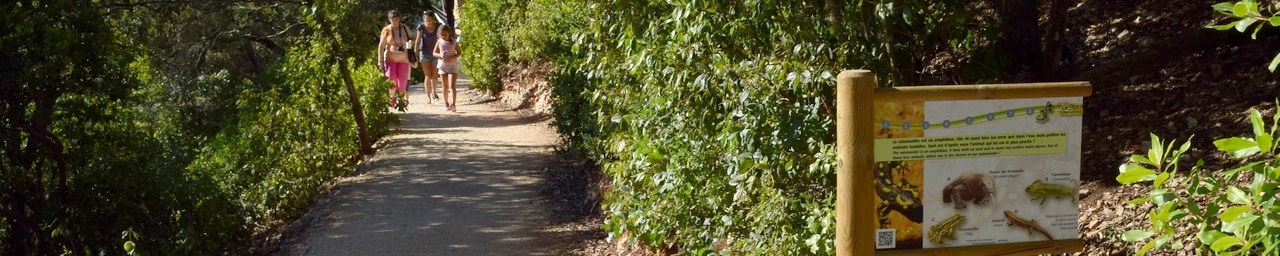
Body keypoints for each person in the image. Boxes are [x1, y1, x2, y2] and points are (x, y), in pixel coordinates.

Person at [379, 10, 413, 109]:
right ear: (389, 19)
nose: (394, 21)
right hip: (390, 58)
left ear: (399, 19)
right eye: (392, 19)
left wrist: (409, 46)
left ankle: (401, 100)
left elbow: (412, 38)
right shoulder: (386, 30)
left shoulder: (405, 28)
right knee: (391, 78)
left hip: (403, 58)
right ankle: (392, 98)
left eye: (396, 19)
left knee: (402, 81)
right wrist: (380, 60)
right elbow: (381, 46)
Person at [433, 25, 461, 112]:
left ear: (449, 33)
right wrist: (440, 56)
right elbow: (434, 53)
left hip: (452, 66)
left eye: (445, 34)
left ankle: (453, 104)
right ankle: (446, 103)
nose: (443, 37)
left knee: (452, 86)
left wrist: (452, 57)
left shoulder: (454, 42)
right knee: (445, 86)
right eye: (441, 35)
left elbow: (459, 52)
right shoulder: (439, 42)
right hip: (443, 66)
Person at [415, 10, 441, 104]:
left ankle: (434, 91)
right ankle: (428, 97)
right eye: (426, 20)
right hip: (424, 53)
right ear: (423, 19)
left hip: (435, 53)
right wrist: (415, 54)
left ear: (433, 19)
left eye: (430, 20)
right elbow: (417, 41)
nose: (428, 22)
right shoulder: (421, 27)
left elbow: (442, 38)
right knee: (427, 75)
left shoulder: (438, 26)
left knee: (435, 75)